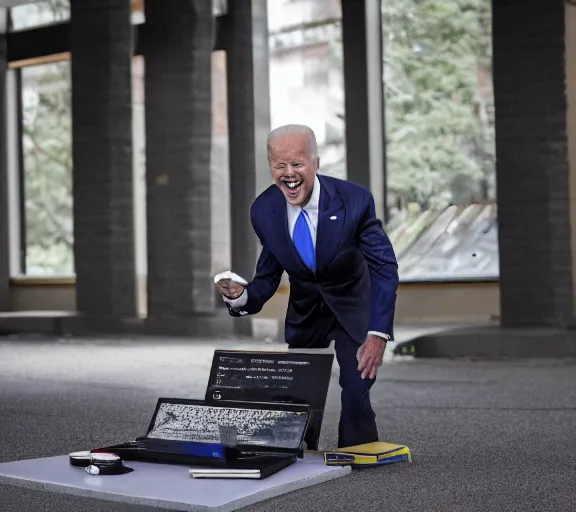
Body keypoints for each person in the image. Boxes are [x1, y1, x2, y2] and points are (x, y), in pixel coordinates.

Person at [215, 124, 399, 449]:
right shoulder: (264, 210)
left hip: (352, 306)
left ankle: (358, 451)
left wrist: (378, 332)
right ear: (269, 164)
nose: (288, 174)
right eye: (279, 165)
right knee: (298, 397)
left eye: (297, 164)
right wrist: (242, 296)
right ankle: (295, 453)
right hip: (306, 312)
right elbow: (268, 275)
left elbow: (384, 268)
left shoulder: (354, 201)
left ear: (315, 161)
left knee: (355, 390)